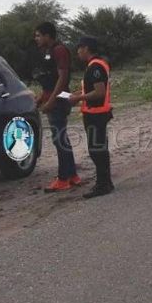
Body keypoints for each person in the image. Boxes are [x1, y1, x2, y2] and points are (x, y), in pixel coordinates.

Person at [33, 22, 81, 192]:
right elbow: (50, 81)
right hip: (53, 98)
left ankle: (63, 179)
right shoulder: (47, 52)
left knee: (59, 139)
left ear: (48, 35)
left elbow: (62, 79)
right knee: (62, 138)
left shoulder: (59, 50)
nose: (36, 38)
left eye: (38, 35)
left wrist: (51, 102)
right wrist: (41, 97)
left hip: (59, 100)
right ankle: (72, 175)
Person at [69, 36, 114, 199]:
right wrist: (78, 95)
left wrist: (78, 99)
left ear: (86, 48)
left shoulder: (95, 67)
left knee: (97, 150)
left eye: (79, 48)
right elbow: (93, 90)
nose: (78, 52)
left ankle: (103, 185)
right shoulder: (97, 64)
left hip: (96, 114)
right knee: (99, 149)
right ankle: (106, 182)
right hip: (97, 113)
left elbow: (99, 92)